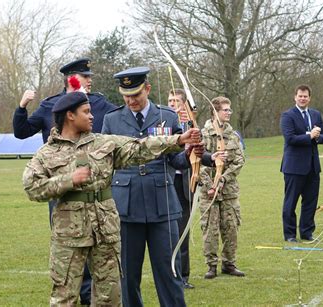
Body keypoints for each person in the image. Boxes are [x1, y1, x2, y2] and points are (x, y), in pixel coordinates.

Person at [22, 91, 200, 306]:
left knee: (109, 295)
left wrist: (179, 139)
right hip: (70, 235)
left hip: (105, 232)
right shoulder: (47, 153)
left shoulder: (104, 143)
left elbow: (140, 147)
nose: (91, 116)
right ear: (70, 115)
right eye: (86, 112)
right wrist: (69, 180)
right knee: (64, 295)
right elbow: (32, 187)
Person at [13, 57, 115, 305]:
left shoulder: (100, 104)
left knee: (99, 242)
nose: (90, 80)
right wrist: (22, 107)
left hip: (95, 189)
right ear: (71, 78)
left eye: (90, 76)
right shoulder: (50, 106)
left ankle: (91, 293)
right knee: (69, 246)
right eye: (85, 76)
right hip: (62, 188)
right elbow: (22, 131)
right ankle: (75, 290)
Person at [102, 67, 207, 307]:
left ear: (147, 89)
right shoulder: (112, 119)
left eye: (136, 95)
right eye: (126, 96)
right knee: (127, 274)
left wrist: (189, 152)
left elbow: (176, 160)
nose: (131, 101)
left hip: (163, 205)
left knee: (169, 271)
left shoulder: (167, 116)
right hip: (126, 206)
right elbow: (108, 160)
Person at [167, 88, 217, 290]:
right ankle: (171, 274)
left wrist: (211, 158)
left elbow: (197, 152)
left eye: (176, 101)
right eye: (170, 101)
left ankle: (183, 276)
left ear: (185, 105)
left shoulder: (192, 126)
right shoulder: (164, 124)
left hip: (188, 184)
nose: (172, 104)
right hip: (169, 183)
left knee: (183, 233)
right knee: (169, 234)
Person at [199, 96, 246, 279]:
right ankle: (211, 265)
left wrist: (224, 179)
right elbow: (198, 161)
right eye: (225, 110)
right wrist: (211, 184)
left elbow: (240, 161)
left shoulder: (233, 136)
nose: (228, 113)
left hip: (229, 192)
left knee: (231, 227)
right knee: (210, 230)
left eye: (229, 110)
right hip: (209, 193)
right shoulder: (203, 135)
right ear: (215, 111)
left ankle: (229, 263)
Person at [280, 84, 323, 242]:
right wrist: (309, 136)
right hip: (294, 167)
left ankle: (307, 233)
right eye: (300, 95)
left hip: (313, 167)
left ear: (309, 98)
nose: (302, 98)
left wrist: (317, 137)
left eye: (305, 96)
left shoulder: (315, 114)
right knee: (290, 202)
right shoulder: (288, 115)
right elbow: (290, 139)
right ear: (295, 97)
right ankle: (290, 235)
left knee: (310, 202)